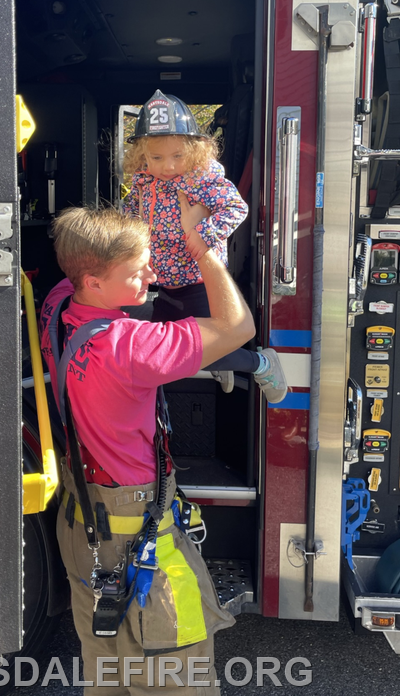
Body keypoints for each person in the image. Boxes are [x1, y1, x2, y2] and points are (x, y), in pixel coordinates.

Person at [39, 201, 255, 694]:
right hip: (138, 537)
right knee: (173, 676)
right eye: (137, 271)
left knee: (108, 672)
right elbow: (238, 327)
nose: (152, 276)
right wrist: (204, 251)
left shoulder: (58, 306)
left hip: (81, 521)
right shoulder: (132, 347)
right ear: (93, 280)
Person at [122, 89, 287, 403]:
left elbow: (236, 208)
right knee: (165, 352)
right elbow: (132, 211)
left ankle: (262, 363)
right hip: (167, 285)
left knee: (198, 352)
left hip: (199, 282)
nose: (168, 166)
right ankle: (220, 360)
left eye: (177, 156)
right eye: (157, 158)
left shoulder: (200, 178)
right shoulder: (145, 181)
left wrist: (203, 233)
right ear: (143, 154)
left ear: (193, 150)